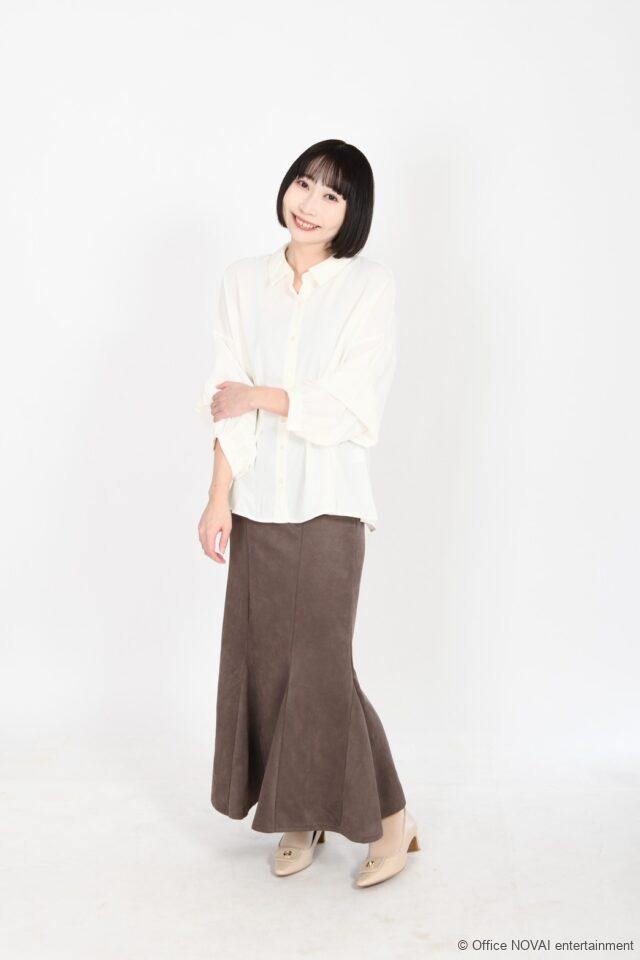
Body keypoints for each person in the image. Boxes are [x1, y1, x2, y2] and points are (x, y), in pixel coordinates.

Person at [196, 138, 420, 887]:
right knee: (266, 664)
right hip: (257, 501)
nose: (311, 204)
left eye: (332, 195)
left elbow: (353, 401)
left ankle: (392, 819)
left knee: (321, 664)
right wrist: (218, 497)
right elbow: (224, 398)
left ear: (353, 212)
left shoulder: (369, 286)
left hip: (330, 500)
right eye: (303, 184)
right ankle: (299, 814)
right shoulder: (242, 282)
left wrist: (261, 396)